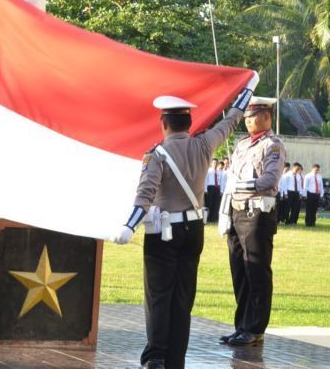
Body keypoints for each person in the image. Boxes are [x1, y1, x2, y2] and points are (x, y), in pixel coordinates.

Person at [112, 84, 254, 369]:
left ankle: (156, 356)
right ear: (189, 122)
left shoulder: (157, 154)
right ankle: (176, 358)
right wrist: (248, 87)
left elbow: (145, 196)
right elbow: (232, 119)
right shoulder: (205, 144)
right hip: (194, 230)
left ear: (163, 123)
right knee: (183, 298)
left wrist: (129, 227)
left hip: (164, 234)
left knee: (158, 296)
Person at [218, 97, 285, 347]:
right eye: (245, 116)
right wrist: (224, 213)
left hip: (257, 214)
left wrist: (241, 186)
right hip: (236, 212)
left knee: (256, 271)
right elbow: (230, 181)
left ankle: (255, 328)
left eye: (252, 116)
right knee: (239, 272)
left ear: (266, 117)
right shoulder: (242, 145)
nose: (247, 120)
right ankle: (242, 326)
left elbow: (269, 180)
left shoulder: (272, 145)